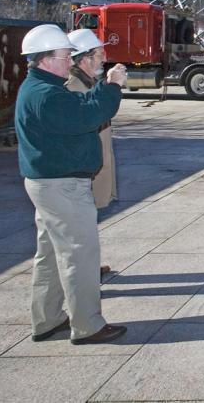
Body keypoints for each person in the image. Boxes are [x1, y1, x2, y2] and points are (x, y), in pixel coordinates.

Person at [15, 24, 128, 344]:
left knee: (50, 255)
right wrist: (113, 88)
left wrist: (102, 86)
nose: (70, 61)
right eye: (65, 56)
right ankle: (87, 325)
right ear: (45, 59)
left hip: (49, 184)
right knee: (81, 255)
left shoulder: (41, 88)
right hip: (61, 186)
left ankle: (47, 319)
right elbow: (86, 117)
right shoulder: (46, 95)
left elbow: (79, 109)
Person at [66, 28, 117, 279]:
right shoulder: (74, 86)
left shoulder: (88, 83)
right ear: (84, 59)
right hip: (82, 169)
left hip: (91, 165)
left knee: (87, 223)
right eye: (99, 54)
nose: (103, 58)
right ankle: (83, 273)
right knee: (79, 227)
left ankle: (89, 265)